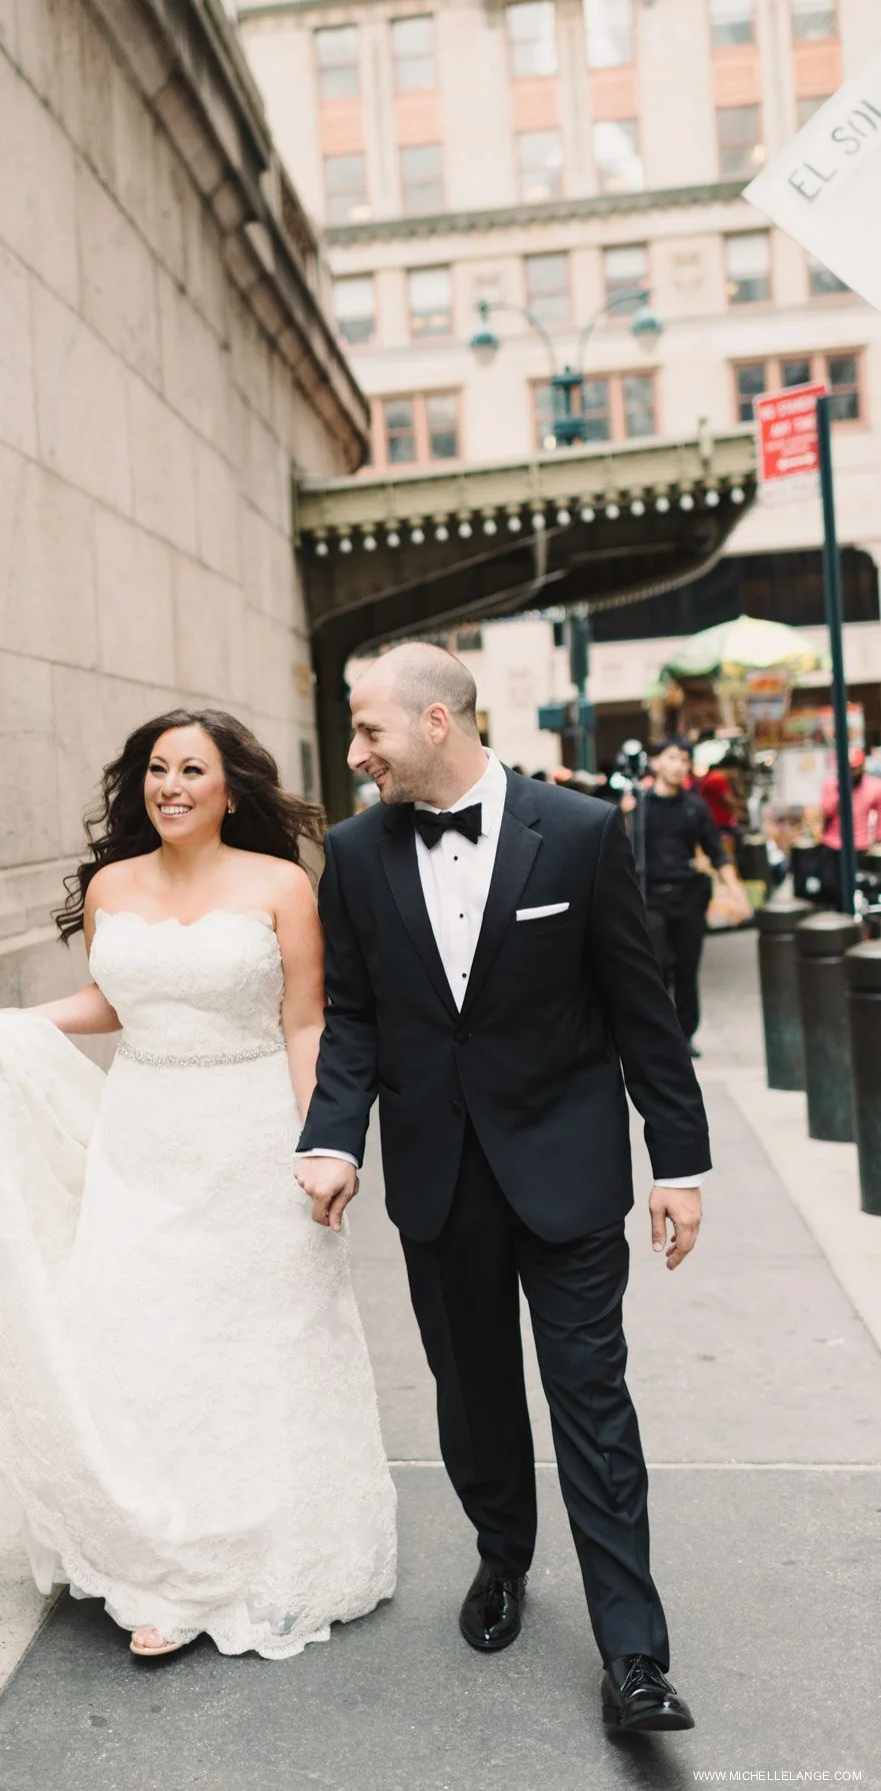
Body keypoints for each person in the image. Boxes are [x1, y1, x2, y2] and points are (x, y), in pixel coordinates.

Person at [0, 709, 396, 1661]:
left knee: (261, 1346)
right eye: (156, 769)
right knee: (143, 1341)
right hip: (141, 1137)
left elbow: (307, 1020)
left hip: (251, 1134)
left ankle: (268, 1551)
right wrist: (9, 1025)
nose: (170, 785)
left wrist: (326, 1142)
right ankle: (162, 1565)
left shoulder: (278, 885)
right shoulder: (111, 885)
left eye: (192, 769)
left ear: (230, 789)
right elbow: (116, 999)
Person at [294, 643, 707, 1735]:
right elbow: (354, 1019)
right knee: (474, 1397)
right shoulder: (356, 852)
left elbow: (640, 1009)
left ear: (437, 721)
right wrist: (333, 1137)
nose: (357, 754)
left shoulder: (578, 834)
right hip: (439, 1177)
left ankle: (634, 1656)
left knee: (592, 1405)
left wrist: (679, 1164)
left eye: (370, 731)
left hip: (567, 1173)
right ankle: (501, 1556)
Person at [632, 736, 741, 1056]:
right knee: (659, 964)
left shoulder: (695, 807)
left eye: (683, 760)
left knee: (687, 968)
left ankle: (684, 1034)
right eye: (671, 758)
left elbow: (717, 852)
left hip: (689, 896)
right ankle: (660, 1032)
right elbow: (622, 852)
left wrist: (736, 893)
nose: (678, 766)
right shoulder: (639, 807)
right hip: (651, 897)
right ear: (657, 762)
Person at [819, 745, 881, 905]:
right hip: (833, 843)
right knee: (831, 886)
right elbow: (827, 810)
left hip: (858, 845)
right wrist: (841, 790)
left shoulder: (873, 787)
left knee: (857, 886)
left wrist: (878, 838)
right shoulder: (831, 785)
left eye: (854, 768)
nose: (851, 773)